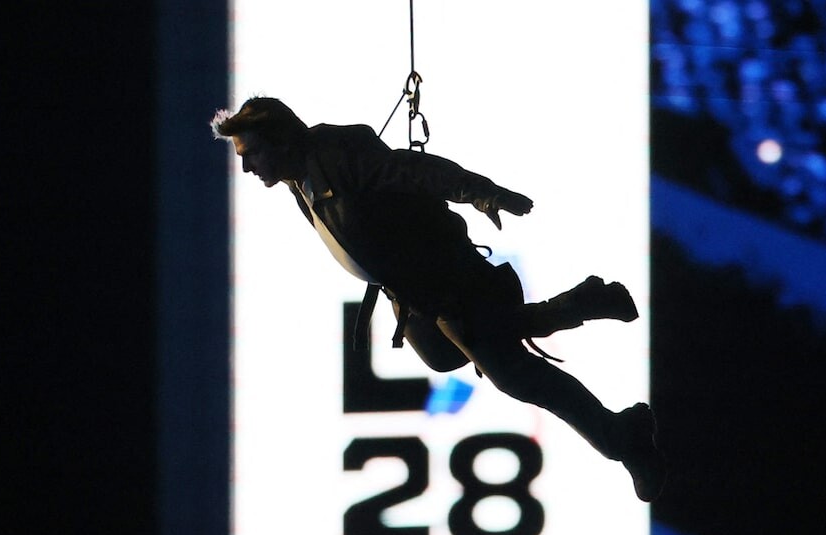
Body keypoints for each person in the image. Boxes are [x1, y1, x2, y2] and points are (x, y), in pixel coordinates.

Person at [211, 97, 666, 501]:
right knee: (447, 355)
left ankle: (624, 434)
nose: (247, 167)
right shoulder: (298, 179)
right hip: (413, 295)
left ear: (280, 141)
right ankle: (577, 306)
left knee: (514, 375)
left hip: (445, 281)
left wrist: (480, 192)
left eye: (250, 154)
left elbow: (413, 170)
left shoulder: (335, 154)